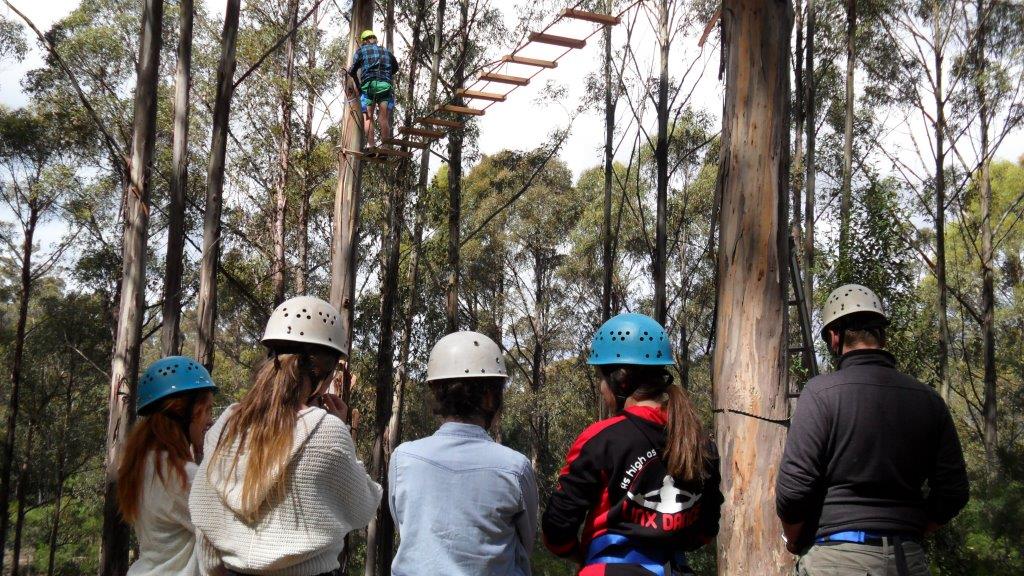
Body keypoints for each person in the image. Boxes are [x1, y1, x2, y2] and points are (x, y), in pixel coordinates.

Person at [776, 284, 970, 576]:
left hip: (837, 560)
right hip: (908, 560)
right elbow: (953, 492)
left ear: (834, 337)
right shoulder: (928, 399)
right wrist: (910, 530)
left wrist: (793, 540)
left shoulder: (820, 394)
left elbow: (793, 493)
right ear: (882, 334)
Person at [190, 295, 381, 576]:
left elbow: (206, 521)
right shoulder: (328, 431)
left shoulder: (227, 425)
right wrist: (344, 433)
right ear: (324, 372)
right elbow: (363, 506)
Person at [543, 313, 722, 576]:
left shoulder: (602, 439)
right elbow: (707, 529)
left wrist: (584, 556)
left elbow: (557, 530)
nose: (602, 390)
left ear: (621, 380)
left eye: (601, 379)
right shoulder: (701, 443)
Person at [389, 331, 538, 576]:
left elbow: (406, 528)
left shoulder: (403, 458)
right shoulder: (514, 468)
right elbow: (525, 542)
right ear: (490, 398)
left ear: (437, 392)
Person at [117, 356, 218, 576]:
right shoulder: (180, 476)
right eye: (207, 410)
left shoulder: (143, 465)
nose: (210, 421)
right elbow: (227, 535)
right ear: (184, 412)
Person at [347, 29, 399, 149]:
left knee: (368, 117)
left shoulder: (361, 51)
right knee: (383, 117)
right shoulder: (386, 52)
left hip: (369, 87)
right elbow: (395, 68)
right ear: (374, 39)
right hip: (385, 86)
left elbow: (352, 70)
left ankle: (371, 145)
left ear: (364, 41)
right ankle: (385, 146)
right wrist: (386, 74)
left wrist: (355, 76)